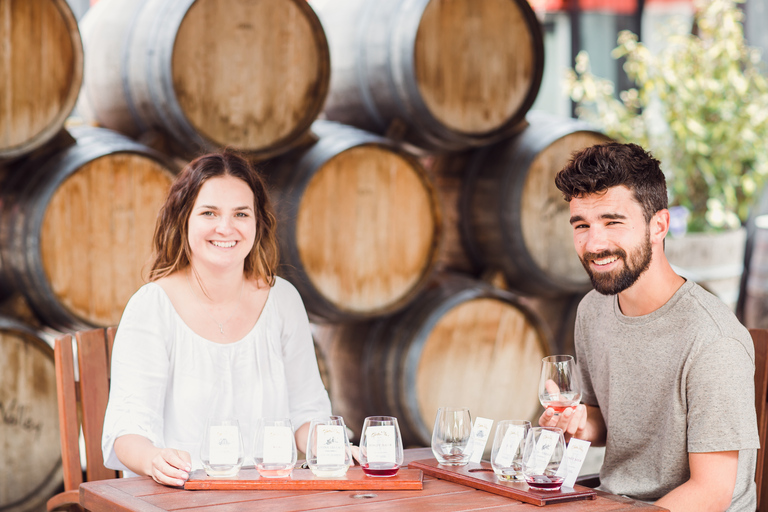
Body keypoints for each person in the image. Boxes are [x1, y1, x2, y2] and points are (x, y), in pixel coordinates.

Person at [543, 142, 759, 511]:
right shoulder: (593, 309)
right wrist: (579, 425)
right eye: (582, 225)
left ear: (659, 225)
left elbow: (712, 491)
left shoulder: (714, 340)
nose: (594, 243)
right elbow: (604, 420)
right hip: (616, 501)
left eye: (613, 221)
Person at [102, 151, 331, 487]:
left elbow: (307, 412)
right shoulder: (152, 307)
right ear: (184, 219)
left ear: (258, 223)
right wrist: (154, 460)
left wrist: (332, 448)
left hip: (273, 496)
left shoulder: (283, 299)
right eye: (209, 212)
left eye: (241, 213)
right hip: (184, 495)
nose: (226, 228)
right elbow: (128, 430)